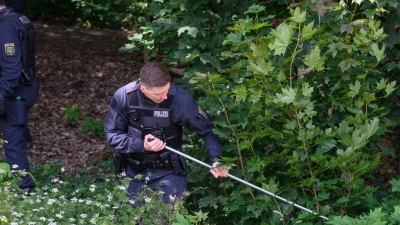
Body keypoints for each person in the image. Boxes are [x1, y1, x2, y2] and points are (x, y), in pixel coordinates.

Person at [104, 62, 228, 207]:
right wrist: (142, 144)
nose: (164, 96)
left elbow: (207, 131)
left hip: (169, 172)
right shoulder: (124, 96)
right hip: (133, 171)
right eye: (158, 94)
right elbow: (112, 134)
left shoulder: (180, 100)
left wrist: (217, 159)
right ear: (143, 89)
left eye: (166, 90)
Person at [0, 0, 39, 191]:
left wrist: (1, 94)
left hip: (16, 90)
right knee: (16, 132)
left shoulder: (6, 24)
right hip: (25, 86)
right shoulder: (19, 18)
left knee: (12, 140)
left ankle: (24, 190)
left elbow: (11, 67)